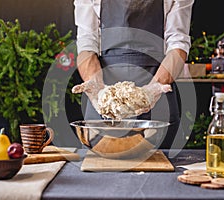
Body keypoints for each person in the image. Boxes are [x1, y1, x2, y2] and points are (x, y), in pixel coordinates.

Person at [72, 0, 194, 148]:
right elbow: (86, 43)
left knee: (159, 162)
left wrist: (155, 87)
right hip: (103, 96)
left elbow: (178, 43)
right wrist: (95, 83)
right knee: (103, 162)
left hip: (157, 92)